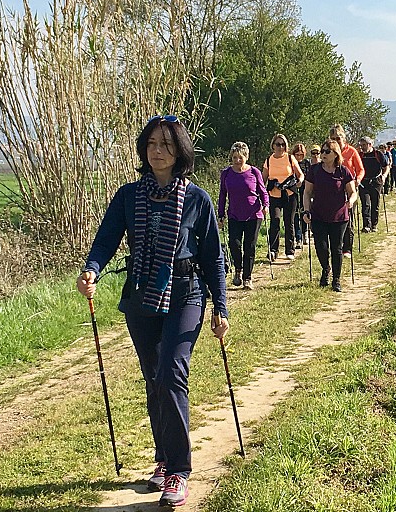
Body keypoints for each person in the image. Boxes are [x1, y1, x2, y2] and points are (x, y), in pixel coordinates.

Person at [77, 115, 228, 508]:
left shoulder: (197, 199)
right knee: (154, 379)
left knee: (172, 372)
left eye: (166, 144)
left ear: (180, 151)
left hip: (186, 294)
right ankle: (163, 457)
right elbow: (106, 239)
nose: (157, 150)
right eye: (151, 143)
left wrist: (221, 307)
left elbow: (213, 257)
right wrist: (91, 269)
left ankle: (179, 471)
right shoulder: (129, 196)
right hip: (141, 297)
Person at [302, 140, 358, 292]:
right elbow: (307, 192)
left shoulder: (343, 171)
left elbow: (353, 192)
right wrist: (306, 210)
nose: (323, 154)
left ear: (336, 154)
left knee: (337, 248)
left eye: (327, 151)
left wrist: (351, 202)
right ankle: (326, 269)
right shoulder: (314, 170)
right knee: (321, 246)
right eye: (323, 151)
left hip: (339, 216)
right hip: (318, 215)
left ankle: (336, 279)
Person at [217, 141, 269, 290]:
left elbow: (262, 191)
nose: (237, 161)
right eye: (234, 157)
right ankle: (238, 269)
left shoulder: (254, 172)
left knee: (250, 245)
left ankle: (247, 277)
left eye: (240, 157)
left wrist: (266, 205)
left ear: (246, 157)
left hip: (253, 214)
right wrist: (221, 214)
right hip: (234, 214)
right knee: (234, 243)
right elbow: (222, 195)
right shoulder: (226, 173)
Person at [262, 133, 304, 261]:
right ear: (273, 146)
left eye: (283, 144)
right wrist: (260, 192)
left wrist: (299, 181)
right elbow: (263, 179)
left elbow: (300, 174)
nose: (280, 147)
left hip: (289, 194)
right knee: (275, 220)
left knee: (289, 221)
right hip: (274, 195)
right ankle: (273, 250)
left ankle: (289, 250)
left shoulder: (290, 158)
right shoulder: (269, 160)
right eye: (278, 144)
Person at [327, 124, 364, 258]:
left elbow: (360, 170)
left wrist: (357, 180)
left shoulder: (351, 151)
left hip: (350, 189)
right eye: (333, 138)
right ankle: (336, 245)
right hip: (333, 190)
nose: (336, 141)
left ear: (344, 137)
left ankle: (347, 248)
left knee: (347, 218)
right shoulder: (328, 152)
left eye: (338, 138)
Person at [357, 136, 389, 232]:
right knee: (365, 204)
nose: (362, 147)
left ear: (370, 144)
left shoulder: (378, 154)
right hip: (363, 182)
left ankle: (374, 225)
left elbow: (386, 166)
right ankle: (366, 225)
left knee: (375, 203)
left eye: (364, 145)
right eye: (361, 145)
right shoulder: (360, 155)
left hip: (376, 181)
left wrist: (384, 176)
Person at [291, 143, 310, 249]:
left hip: (305, 190)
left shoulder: (307, 164)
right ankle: (298, 238)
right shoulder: (291, 163)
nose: (299, 157)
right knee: (295, 215)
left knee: (304, 212)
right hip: (293, 190)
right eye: (297, 154)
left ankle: (305, 233)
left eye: (301, 155)